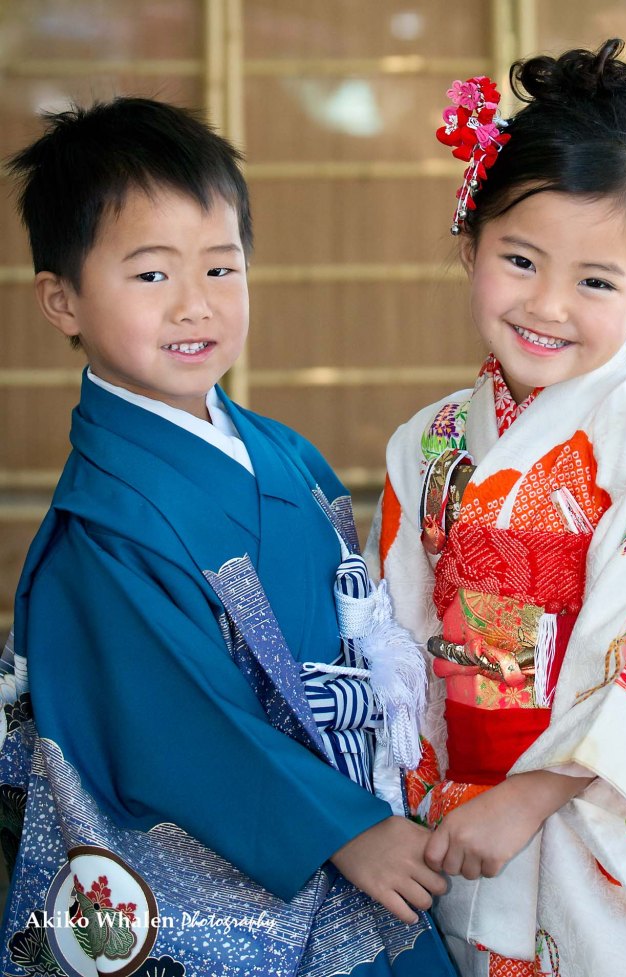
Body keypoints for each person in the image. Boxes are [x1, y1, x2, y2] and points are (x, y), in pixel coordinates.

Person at [0, 97, 455, 977]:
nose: (194, 306)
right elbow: (177, 725)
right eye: (151, 276)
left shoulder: (286, 454)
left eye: (221, 269)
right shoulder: (104, 529)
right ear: (62, 300)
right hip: (273, 843)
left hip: (358, 806)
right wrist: (342, 827)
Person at [364, 39, 626, 977]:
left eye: (595, 280)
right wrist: (416, 791)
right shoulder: (425, 445)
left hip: (602, 812)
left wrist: (537, 786)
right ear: (470, 244)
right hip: (469, 806)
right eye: (519, 259)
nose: (547, 304)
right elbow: (400, 640)